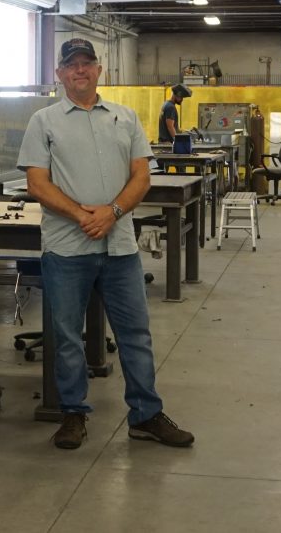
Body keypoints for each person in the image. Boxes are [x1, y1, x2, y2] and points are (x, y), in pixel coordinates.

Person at [17, 38, 194, 450]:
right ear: (59, 74)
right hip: (66, 248)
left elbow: (141, 178)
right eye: (71, 65)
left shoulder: (126, 118)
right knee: (66, 335)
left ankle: (146, 415)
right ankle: (73, 414)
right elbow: (37, 183)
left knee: (135, 333)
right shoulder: (43, 122)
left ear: (100, 71)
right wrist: (83, 215)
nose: (80, 70)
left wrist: (111, 213)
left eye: (87, 63)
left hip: (120, 249)